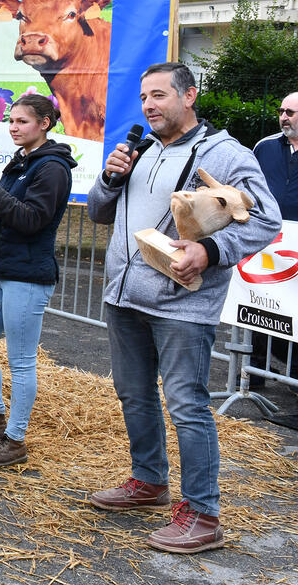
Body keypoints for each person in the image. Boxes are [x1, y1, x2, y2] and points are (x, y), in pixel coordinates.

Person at [87, 62, 280, 554]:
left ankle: (203, 514)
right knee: (134, 395)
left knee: (187, 406)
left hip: (181, 305)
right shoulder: (143, 149)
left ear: (189, 95)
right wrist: (111, 179)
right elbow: (96, 211)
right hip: (125, 296)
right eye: (144, 97)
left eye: (159, 95)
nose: (149, 105)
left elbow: (267, 221)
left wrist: (209, 252)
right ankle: (148, 482)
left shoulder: (225, 153)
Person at [0, 94, 75, 467]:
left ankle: (15, 440)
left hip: (29, 275)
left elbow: (31, 219)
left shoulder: (52, 168)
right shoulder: (20, 162)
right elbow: (2, 224)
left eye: (22, 121)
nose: (13, 127)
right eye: (11, 120)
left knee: (22, 361)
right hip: (1, 271)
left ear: (44, 123)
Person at [250, 91, 298, 385]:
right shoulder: (264, 147)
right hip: (267, 241)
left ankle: (294, 373)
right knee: (260, 305)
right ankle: (256, 370)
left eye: (290, 112)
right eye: (281, 111)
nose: (283, 117)